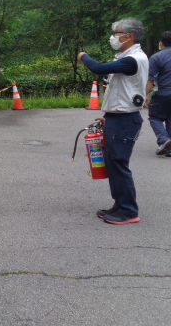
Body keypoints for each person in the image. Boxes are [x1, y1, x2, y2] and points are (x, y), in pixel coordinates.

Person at [77, 18, 149, 225]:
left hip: (125, 119)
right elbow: (122, 91)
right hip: (118, 117)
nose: (113, 37)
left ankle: (128, 211)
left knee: (118, 163)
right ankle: (120, 204)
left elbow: (98, 68)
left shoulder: (134, 59)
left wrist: (84, 56)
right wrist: (108, 115)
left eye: (117, 33)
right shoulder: (126, 57)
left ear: (130, 35)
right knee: (112, 163)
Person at [145, 31, 171, 156]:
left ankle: (164, 139)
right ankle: (169, 149)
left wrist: (145, 94)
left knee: (154, 117)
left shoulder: (156, 57)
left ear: (161, 43)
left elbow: (151, 79)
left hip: (163, 92)